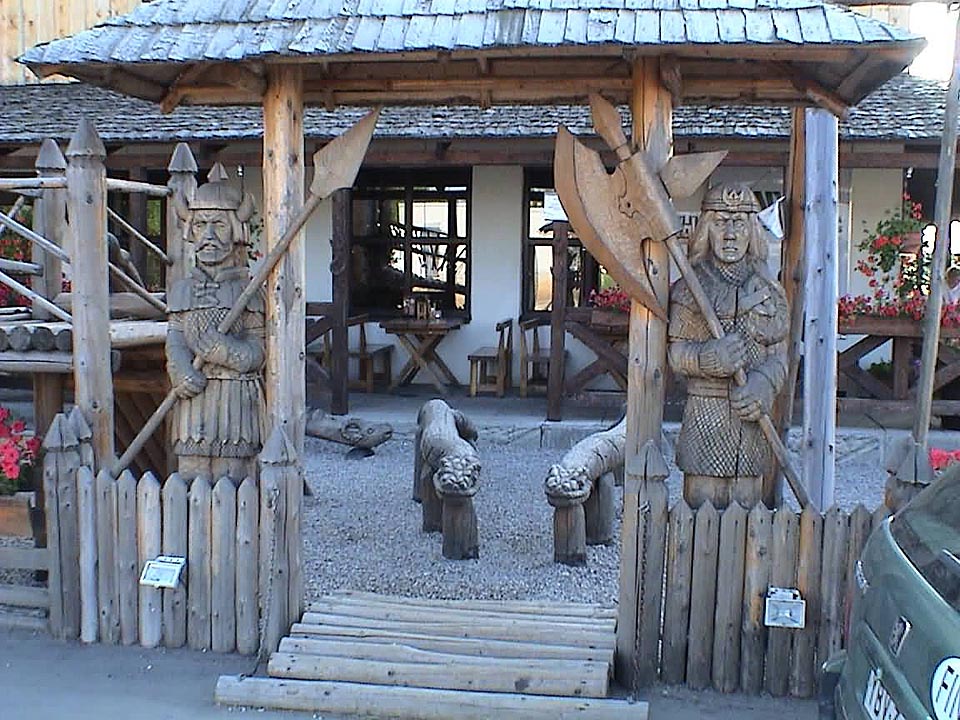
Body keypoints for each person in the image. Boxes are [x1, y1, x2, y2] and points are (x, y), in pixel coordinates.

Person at [667, 183, 789, 509]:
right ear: (707, 228)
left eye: (739, 224)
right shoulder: (690, 288)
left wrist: (765, 383)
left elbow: (780, 355)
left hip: (750, 422)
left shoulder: (766, 288)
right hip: (705, 418)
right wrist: (707, 358)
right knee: (700, 506)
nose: (731, 234)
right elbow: (676, 354)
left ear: (752, 231)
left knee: (748, 507)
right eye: (721, 223)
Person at [166, 179, 265, 482]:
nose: (208, 236)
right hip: (193, 399)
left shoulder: (249, 292)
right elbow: (176, 337)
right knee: (190, 474)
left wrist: (226, 351)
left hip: (235, 401)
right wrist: (180, 369)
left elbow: (259, 351)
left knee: (232, 477)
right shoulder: (182, 289)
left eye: (219, 225)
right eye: (200, 225)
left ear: (236, 230)